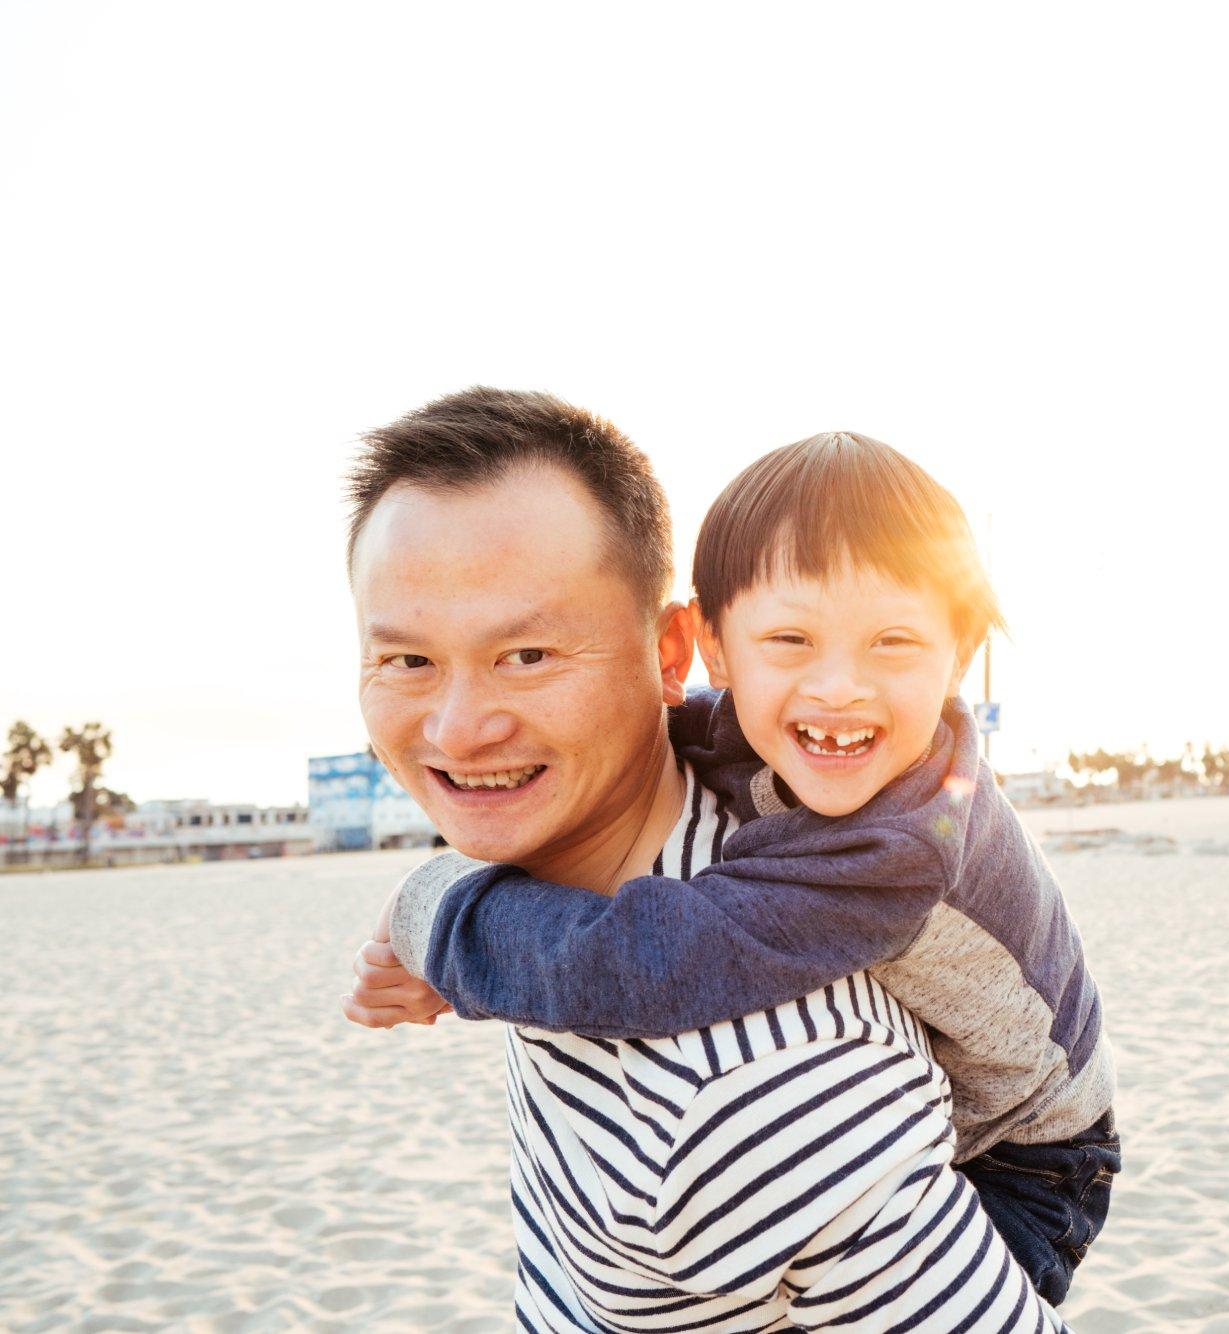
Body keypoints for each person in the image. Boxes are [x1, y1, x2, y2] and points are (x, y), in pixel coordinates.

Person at [340, 388, 1070, 1332]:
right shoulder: (667, 803)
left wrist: (439, 910)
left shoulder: (769, 1091)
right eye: (407, 662)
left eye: (526, 653)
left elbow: (647, 960)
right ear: (721, 653)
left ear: (670, 648)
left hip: (1031, 1147)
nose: (458, 729)